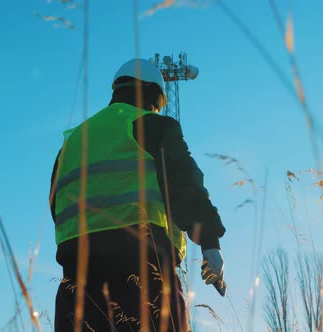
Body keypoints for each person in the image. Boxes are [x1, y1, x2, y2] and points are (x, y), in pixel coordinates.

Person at [50, 59, 226, 331]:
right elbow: (184, 184)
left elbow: (56, 205)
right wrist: (210, 242)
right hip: (144, 273)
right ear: (153, 93)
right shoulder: (152, 125)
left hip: (76, 281)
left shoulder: (72, 142)